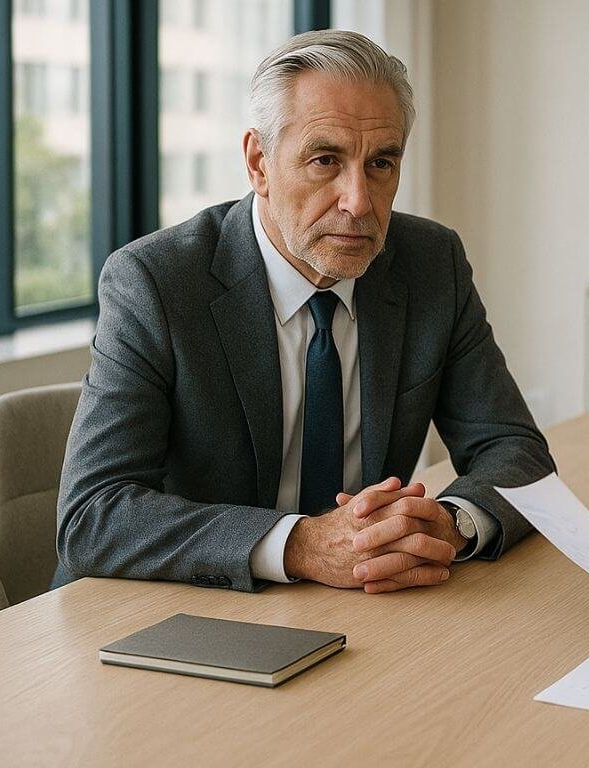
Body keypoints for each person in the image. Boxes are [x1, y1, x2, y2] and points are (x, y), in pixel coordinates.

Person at [55, 30, 554, 594]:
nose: (358, 200)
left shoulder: (430, 263)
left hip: (356, 610)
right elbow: (94, 515)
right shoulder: (156, 283)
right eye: (325, 160)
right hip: (172, 613)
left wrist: (450, 523)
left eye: (382, 163)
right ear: (259, 164)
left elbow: (517, 452)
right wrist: (301, 544)